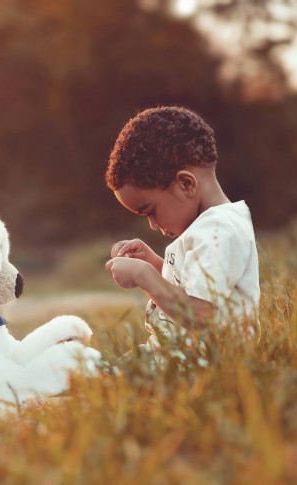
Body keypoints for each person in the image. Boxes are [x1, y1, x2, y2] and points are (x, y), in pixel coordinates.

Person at [104, 107, 260, 364]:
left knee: (101, 382)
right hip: (176, 357)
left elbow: (201, 313)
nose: (153, 225)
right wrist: (153, 264)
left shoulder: (219, 230)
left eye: (150, 211)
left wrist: (144, 277)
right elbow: (191, 285)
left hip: (201, 365)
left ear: (186, 184)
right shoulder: (209, 228)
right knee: (98, 375)